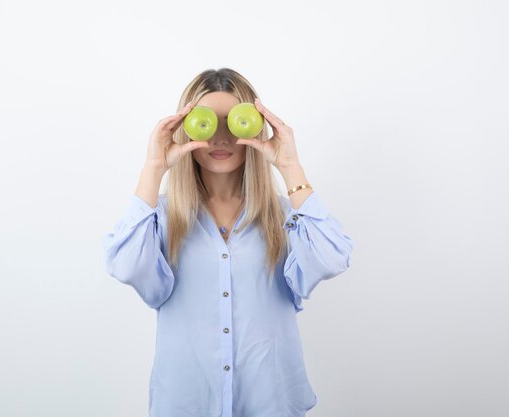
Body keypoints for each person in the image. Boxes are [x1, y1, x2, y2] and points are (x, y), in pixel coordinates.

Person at [102, 68, 354, 417]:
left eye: (233, 122)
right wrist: (154, 167)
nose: (220, 137)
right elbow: (125, 265)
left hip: (271, 403)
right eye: (208, 122)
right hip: (186, 404)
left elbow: (333, 257)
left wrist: (290, 165)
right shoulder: (158, 217)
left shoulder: (286, 216)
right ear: (185, 127)